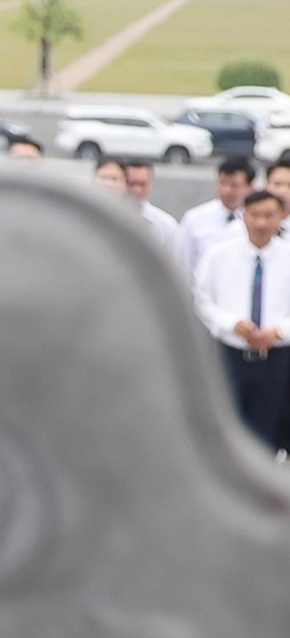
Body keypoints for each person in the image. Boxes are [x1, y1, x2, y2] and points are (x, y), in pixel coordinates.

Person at [192, 187, 290, 452]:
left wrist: (278, 332)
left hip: (277, 361)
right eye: (254, 214)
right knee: (225, 431)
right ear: (242, 215)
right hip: (230, 356)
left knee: (267, 436)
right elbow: (202, 301)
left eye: (269, 215)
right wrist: (230, 323)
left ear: (282, 216)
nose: (261, 222)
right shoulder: (218, 256)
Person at [181, 157, 255, 276]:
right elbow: (183, 262)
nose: (226, 190)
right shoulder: (195, 218)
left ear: (250, 187)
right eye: (222, 183)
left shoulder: (256, 220)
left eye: (234, 185)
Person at [124, 162, 186, 271]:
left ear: (150, 185)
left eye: (142, 184)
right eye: (132, 184)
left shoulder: (166, 226)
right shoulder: (107, 219)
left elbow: (176, 269)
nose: (137, 190)